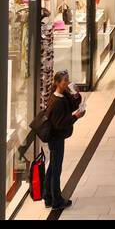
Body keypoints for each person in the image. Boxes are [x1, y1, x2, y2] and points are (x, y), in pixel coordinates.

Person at [42, 71, 84, 209]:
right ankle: (56, 200)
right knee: (56, 169)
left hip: (57, 137)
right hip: (56, 139)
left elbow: (72, 105)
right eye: (64, 81)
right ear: (57, 83)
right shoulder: (56, 102)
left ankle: (48, 197)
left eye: (67, 80)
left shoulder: (63, 95)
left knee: (52, 167)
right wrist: (76, 117)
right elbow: (60, 124)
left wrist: (76, 95)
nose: (67, 83)